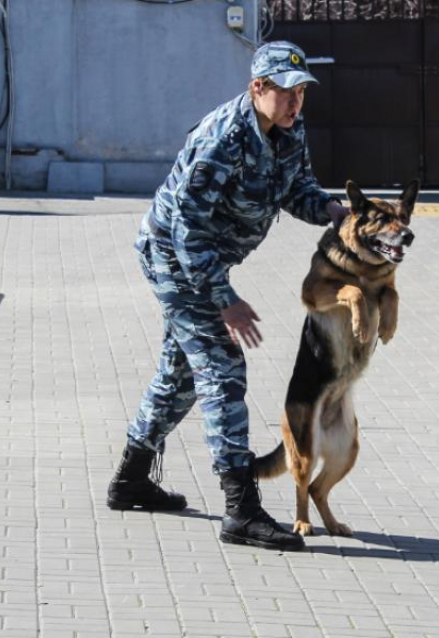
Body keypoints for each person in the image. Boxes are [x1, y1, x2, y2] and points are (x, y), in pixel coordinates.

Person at [106, 41, 349, 552]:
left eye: (301, 92)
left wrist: (332, 212)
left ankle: (131, 479)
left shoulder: (288, 129)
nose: (296, 103)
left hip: (206, 261)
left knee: (180, 377)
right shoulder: (221, 140)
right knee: (223, 367)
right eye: (286, 92)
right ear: (258, 87)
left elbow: (296, 188)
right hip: (174, 259)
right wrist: (225, 299)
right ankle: (241, 508)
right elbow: (186, 232)